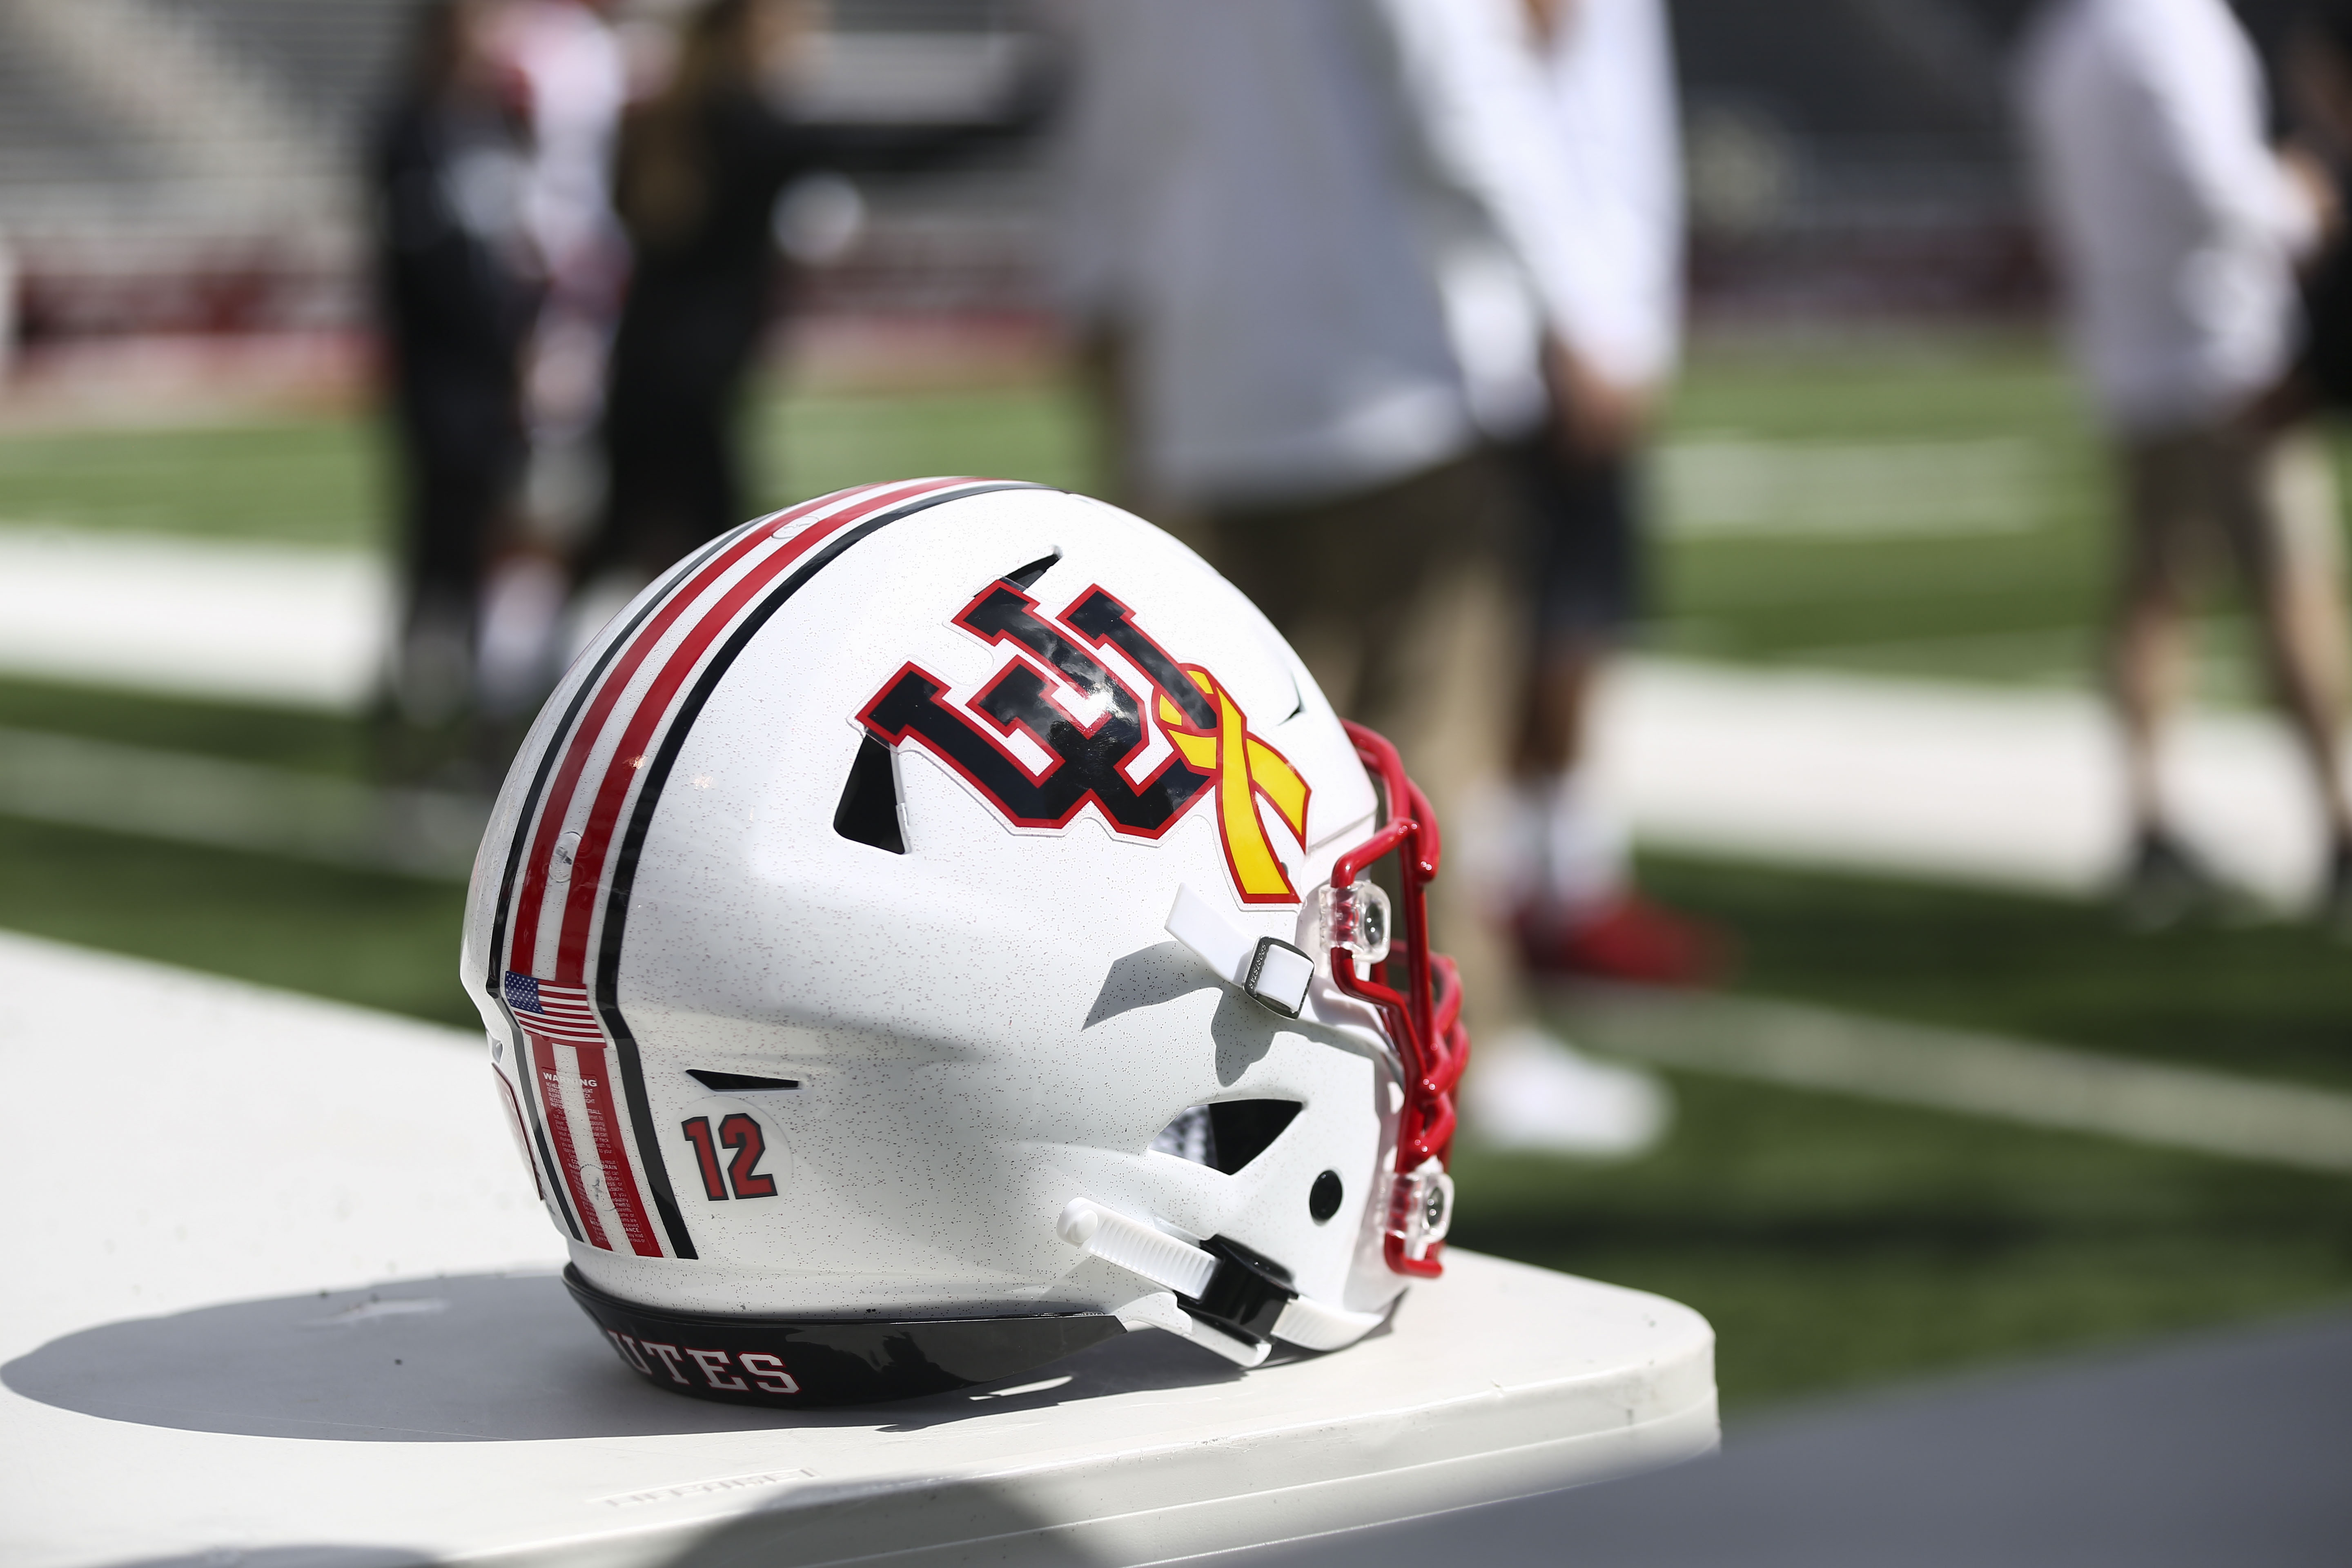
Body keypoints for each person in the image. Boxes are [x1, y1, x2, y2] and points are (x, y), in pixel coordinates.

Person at [1055, 0, 1671, 1154]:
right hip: (1388, 374)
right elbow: (1463, 91)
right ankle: (1459, 1049)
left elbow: (1109, 148)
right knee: (1420, 755)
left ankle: (1202, 1072)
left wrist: (1111, 344)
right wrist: (1588, 310)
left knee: (1227, 774)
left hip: (1211, 385)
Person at [2019, 0, 2352, 928]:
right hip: (2222, 352)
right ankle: (2338, 825)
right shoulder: (2167, 26)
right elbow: (2218, 186)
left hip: (2129, 353)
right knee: (2292, 586)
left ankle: (2149, 821)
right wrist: (2301, 200)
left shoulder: (2069, 37)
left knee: (2155, 592)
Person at [1496, 0, 1723, 984]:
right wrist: (1578, 311)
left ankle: (1550, 870)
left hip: (1585, 306)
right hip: (1563, 325)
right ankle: (1551, 882)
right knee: (1552, 619)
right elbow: (1518, 75)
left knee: (1568, 614)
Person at [368, 0, 537, 767]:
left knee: (488, 545)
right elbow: (423, 262)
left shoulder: (499, 121)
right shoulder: (408, 127)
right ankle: (408, 702)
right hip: (442, 377)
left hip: (497, 375)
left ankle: (475, 705)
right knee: (435, 545)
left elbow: (517, 242)